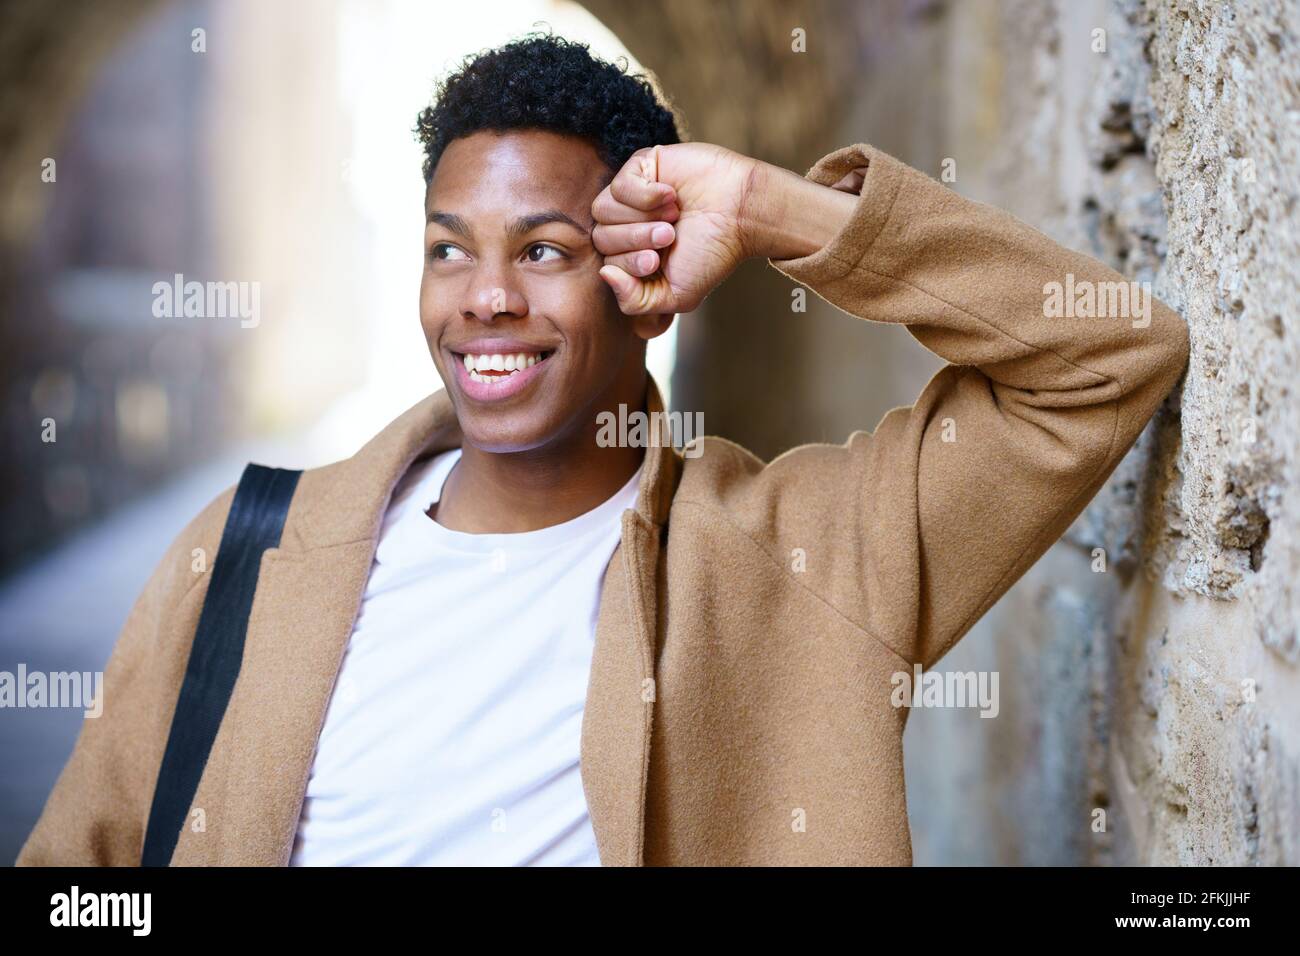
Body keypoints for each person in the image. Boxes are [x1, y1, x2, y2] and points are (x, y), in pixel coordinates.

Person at [17, 34, 1189, 866]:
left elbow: (1102, 360)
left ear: (646, 281)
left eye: (542, 251)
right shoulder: (250, 550)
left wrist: (774, 208)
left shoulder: (809, 559)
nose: (481, 298)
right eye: (447, 248)